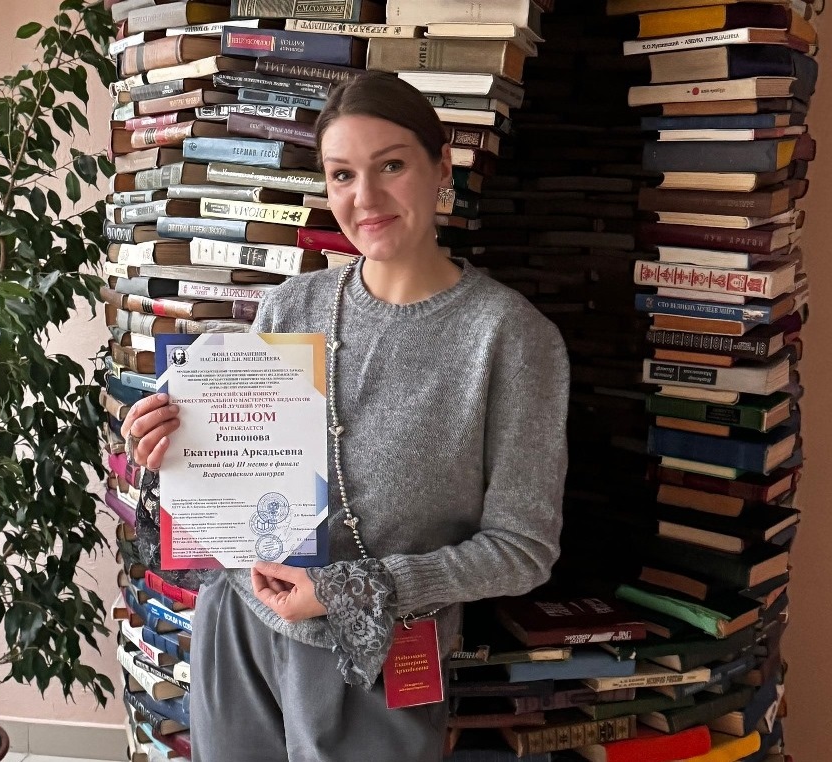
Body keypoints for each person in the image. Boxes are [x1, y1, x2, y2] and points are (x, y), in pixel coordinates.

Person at [121, 71, 570, 762]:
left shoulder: (511, 338)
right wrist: (171, 452)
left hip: (382, 650)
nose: (365, 199)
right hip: (240, 625)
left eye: (391, 166)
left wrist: (352, 589)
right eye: (341, 175)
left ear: (441, 167)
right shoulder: (291, 307)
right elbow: (241, 486)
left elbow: (522, 550)